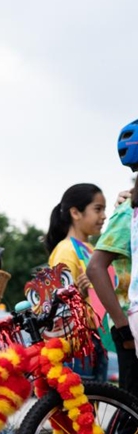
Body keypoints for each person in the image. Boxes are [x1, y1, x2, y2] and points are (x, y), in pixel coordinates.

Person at [88, 119, 138, 399]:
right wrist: (122, 329)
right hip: (129, 323)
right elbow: (96, 268)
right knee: (131, 416)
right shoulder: (127, 212)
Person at [44, 183, 108, 381]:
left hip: (94, 340)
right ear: (75, 213)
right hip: (76, 346)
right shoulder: (65, 250)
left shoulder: (90, 250)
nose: (104, 216)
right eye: (98, 209)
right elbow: (56, 307)